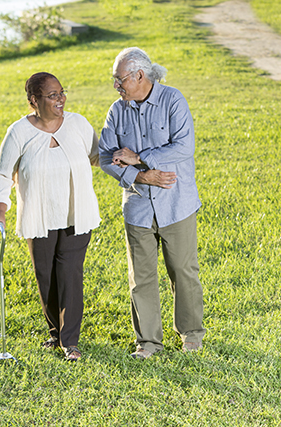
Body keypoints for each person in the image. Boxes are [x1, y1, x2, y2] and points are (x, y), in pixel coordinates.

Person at [99, 47, 206, 360]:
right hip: (138, 205)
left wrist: (140, 157)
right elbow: (106, 157)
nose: (116, 87)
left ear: (139, 76)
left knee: (183, 270)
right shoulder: (116, 111)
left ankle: (191, 335)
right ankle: (148, 343)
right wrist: (140, 176)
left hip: (176, 203)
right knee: (141, 277)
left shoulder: (173, 100)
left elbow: (184, 147)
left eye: (119, 81)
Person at [0, 72, 101, 361]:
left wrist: (129, 161)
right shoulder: (19, 132)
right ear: (33, 101)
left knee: (70, 274)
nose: (60, 99)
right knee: (46, 277)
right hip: (39, 214)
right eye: (52, 95)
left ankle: (70, 342)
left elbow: (98, 155)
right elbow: (2, 172)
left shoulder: (78, 124)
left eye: (62, 92)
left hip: (77, 212)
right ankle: (55, 333)